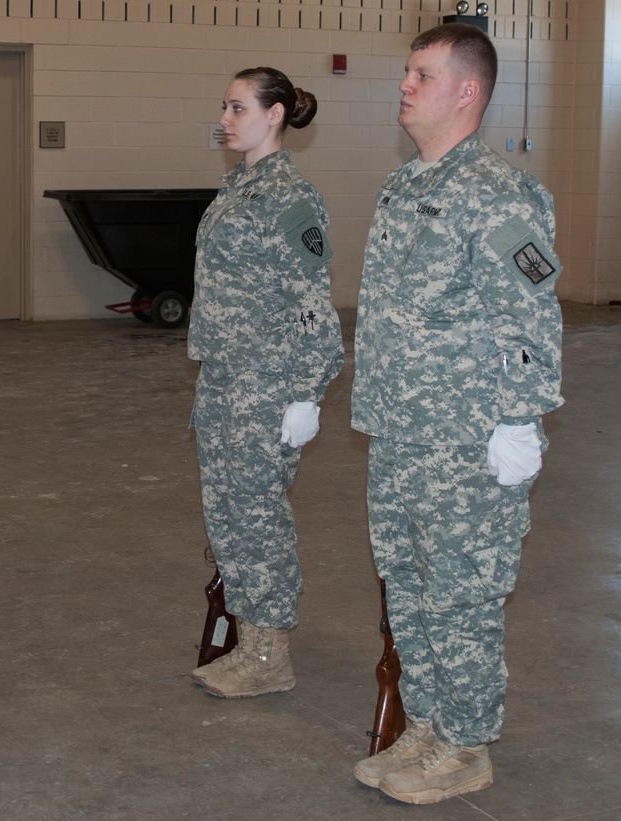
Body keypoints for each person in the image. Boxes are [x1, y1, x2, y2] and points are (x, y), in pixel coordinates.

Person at [350, 23, 563, 804]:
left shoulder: (500, 193)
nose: (405, 85)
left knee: (462, 591)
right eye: (405, 72)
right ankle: (429, 728)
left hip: (468, 438)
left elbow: (530, 318)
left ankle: (469, 743)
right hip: (400, 431)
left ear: (466, 91)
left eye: (422, 74)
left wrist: (520, 417)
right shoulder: (402, 186)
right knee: (407, 585)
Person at [187, 68, 344, 698]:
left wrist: (307, 390)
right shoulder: (238, 187)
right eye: (223, 106)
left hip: (265, 384)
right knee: (227, 512)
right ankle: (247, 640)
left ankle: (270, 652)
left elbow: (311, 301)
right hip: (224, 379)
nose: (225, 118)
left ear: (274, 115)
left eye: (238, 107)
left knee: (258, 517)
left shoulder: (289, 197)